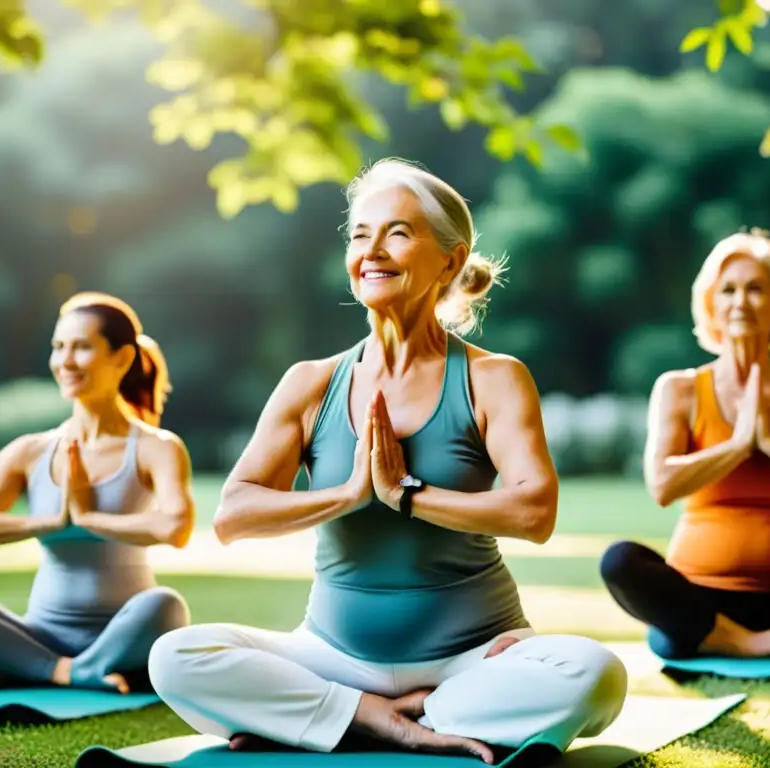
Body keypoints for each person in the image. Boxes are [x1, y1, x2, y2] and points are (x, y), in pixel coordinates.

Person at [147, 159, 627, 763]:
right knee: (174, 657)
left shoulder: (492, 378)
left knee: (597, 673)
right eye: (359, 234)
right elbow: (234, 514)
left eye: (398, 232)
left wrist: (404, 494)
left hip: (473, 659)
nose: (372, 250)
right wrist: (350, 494)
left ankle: (369, 716)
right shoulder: (311, 383)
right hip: (332, 658)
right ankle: (370, 716)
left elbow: (535, 511)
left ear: (450, 261)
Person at [0, 292, 192, 694]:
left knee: (166, 606)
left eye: (81, 347)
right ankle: (67, 669)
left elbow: (176, 526)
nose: (64, 361)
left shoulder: (156, 448)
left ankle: (30, 669)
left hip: (125, 629)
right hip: (40, 633)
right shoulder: (31, 451)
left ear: (122, 358)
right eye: (58, 347)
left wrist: (90, 518)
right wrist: (50, 522)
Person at [601, 229, 770, 660]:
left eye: (755, 288)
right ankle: (748, 639)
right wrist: (738, 445)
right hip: (703, 598)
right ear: (712, 306)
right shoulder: (680, 389)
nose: (740, 301)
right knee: (618, 562)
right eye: (728, 290)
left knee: (673, 639)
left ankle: (758, 643)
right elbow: (662, 486)